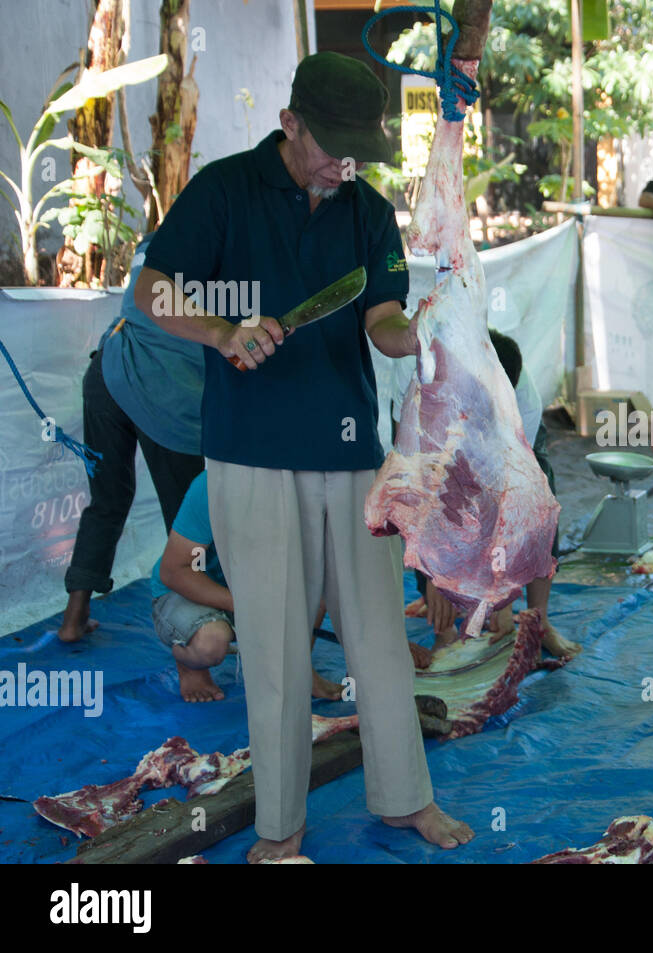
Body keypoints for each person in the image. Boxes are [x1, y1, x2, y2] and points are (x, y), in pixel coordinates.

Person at [136, 51, 471, 861]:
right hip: (249, 455)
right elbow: (154, 290)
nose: (344, 165)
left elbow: (382, 323)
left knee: (379, 637)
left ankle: (404, 800)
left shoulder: (367, 207)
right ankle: (280, 833)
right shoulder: (223, 190)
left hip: (351, 450)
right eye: (332, 146)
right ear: (290, 123)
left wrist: (424, 330)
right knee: (278, 642)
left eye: (360, 150)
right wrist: (223, 331)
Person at [57, 234, 206, 643]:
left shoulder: (159, 238)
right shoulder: (233, 253)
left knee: (107, 499)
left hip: (110, 369)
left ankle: (74, 617)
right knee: (187, 518)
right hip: (166, 388)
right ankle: (198, 632)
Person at [411, 330, 581, 661]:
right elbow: (429, 495)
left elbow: (507, 499)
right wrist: (435, 577)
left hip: (512, 457)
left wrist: (501, 593)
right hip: (439, 451)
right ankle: (444, 632)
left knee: (541, 503)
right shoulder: (430, 393)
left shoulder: (523, 406)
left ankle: (539, 622)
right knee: (438, 505)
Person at [151, 471, 343, 703]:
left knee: (313, 590)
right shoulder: (212, 486)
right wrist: (244, 604)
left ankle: (299, 672)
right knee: (210, 643)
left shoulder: (310, 485)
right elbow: (175, 571)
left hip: (255, 589)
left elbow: (314, 576)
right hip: (191, 590)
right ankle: (189, 665)